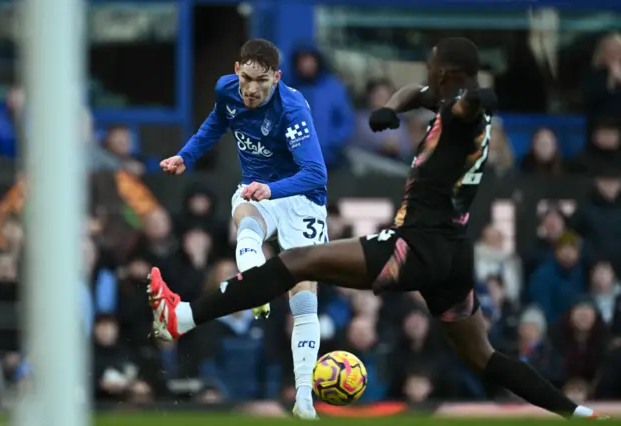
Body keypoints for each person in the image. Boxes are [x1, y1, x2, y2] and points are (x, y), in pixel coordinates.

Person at [151, 37, 605, 419]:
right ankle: (576, 412)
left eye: (432, 64)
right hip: (452, 257)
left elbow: (472, 106)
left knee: (295, 263)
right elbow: (416, 93)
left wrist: (475, 98)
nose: (426, 71)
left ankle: (183, 317)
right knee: (483, 355)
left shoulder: (466, 113)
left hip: (415, 246)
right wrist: (391, 107)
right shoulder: (446, 99)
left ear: (449, 73)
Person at [158, 39, 327, 419]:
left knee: (304, 300)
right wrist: (186, 155)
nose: (251, 89)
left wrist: (274, 188)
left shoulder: (294, 109)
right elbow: (216, 122)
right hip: (257, 192)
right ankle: (255, 282)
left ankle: (304, 398)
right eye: (246, 78)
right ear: (237, 70)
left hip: (301, 199)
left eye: (262, 81)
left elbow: (316, 172)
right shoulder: (226, 90)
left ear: (277, 78)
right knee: (246, 217)